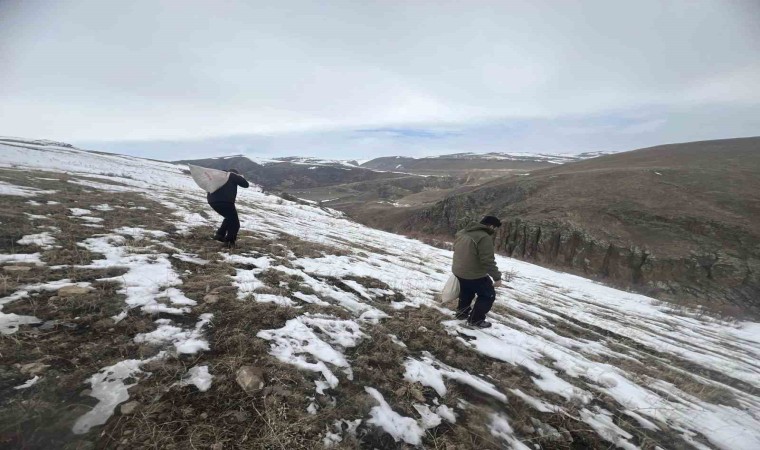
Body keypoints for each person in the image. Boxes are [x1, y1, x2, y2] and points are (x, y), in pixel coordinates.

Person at [451, 215, 503, 328]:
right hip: (473, 274)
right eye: (495, 228)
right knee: (487, 295)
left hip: (458, 270)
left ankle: (461, 314)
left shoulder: (463, 232)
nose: (495, 231)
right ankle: (475, 320)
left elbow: (455, 249)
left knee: (466, 291)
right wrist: (497, 278)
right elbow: (488, 260)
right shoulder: (484, 237)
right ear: (492, 226)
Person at [207, 168, 249, 248]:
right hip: (225, 201)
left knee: (229, 218)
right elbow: (245, 184)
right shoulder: (231, 175)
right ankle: (229, 242)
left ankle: (219, 235)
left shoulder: (218, 176)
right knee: (235, 223)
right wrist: (239, 177)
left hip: (212, 201)